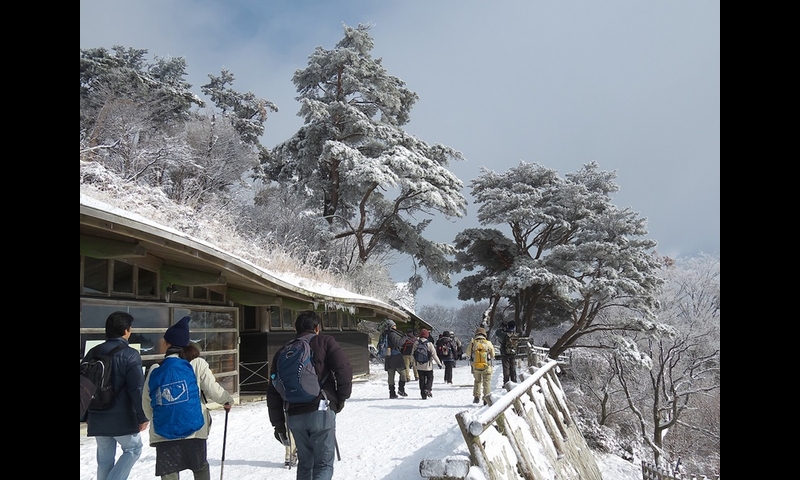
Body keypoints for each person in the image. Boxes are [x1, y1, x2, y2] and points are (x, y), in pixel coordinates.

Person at [142, 316, 234, 480]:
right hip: (194, 430)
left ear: (169, 344)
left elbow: (147, 404)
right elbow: (213, 389)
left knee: (169, 473)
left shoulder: (156, 369)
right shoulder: (197, 363)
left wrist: (162, 419)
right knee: (199, 468)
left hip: (165, 433)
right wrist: (227, 400)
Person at [267, 311, 353, 480]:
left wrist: (278, 425)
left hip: (294, 415)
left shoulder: (283, 351)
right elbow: (344, 369)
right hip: (321, 410)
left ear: (295, 329)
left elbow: (273, 391)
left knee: (306, 464)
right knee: (323, 464)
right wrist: (341, 398)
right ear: (317, 328)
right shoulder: (325, 342)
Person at [84, 311, 150, 480]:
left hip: (97, 414)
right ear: (126, 331)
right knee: (134, 449)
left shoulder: (93, 352)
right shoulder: (130, 355)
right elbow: (136, 389)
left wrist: (86, 414)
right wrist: (142, 416)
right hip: (122, 417)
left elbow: (83, 385)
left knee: (104, 460)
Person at [465, 327, 496, 405]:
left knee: (477, 381)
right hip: (487, 367)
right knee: (487, 383)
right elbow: (493, 355)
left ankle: (476, 397)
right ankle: (486, 399)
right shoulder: (488, 343)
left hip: (476, 367)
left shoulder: (473, 343)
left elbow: (467, 353)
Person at [381, 319, 409, 398]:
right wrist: (404, 338)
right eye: (394, 325)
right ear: (392, 326)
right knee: (403, 374)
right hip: (396, 356)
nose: (396, 326)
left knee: (391, 376)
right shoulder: (392, 333)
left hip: (388, 356)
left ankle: (392, 393)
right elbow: (397, 343)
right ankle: (401, 389)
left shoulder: (385, 333)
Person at [413, 328, 444, 399]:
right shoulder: (429, 344)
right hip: (428, 366)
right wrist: (439, 363)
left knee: (421, 379)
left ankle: (423, 395)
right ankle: (427, 388)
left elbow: (412, 354)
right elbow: (434, 354)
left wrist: (413, 363)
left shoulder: (416, 343)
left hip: (419, 365)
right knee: (430, 377)